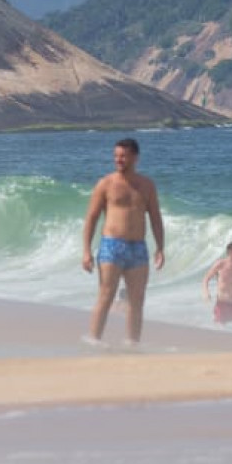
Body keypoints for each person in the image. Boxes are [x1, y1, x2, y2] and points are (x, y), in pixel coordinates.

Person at [81, 137, 165, 347]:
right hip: (112, 246)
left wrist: (160, 248)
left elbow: (155, 217)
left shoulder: (147, 185)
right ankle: (93, 340)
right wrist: (86, 251)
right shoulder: (105, 184)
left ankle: (132, 344)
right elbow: (91, 217)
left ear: (135, 157)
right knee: (106, 294)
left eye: (123, 156)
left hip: (138, 247)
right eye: (116, 156)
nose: (119, 160)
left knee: (137, 300)